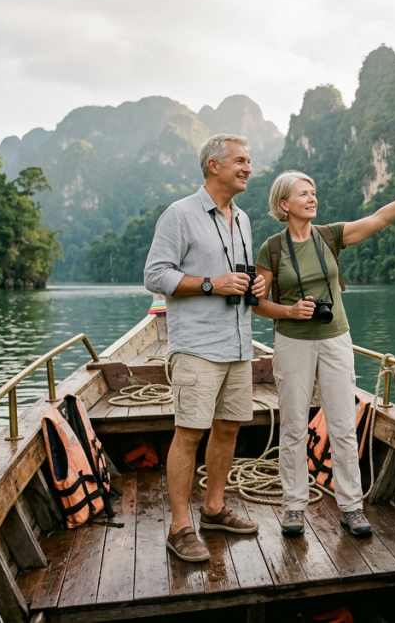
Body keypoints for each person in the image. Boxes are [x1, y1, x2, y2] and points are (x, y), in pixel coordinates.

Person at [253, 171, 395, 538]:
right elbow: (257, 304)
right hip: (293, 342)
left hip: (336, 339)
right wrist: (291, 311)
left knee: (342, 425)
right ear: (284, 205)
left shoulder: (330, 236)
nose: (312, 198)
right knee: (293, 426)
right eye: (303, 194)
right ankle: (293, 507)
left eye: (314, 192)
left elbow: (378, 219)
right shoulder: (272, 248)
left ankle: (352, 507)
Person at [144, 134, 266, 563]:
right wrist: (212, 284)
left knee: (229, 427)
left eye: (249, 161)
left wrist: (256, 283)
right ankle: (180, 527)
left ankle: (213, 509)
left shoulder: (244, 219)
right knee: (190, 432)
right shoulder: (180, 214)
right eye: (240, 160)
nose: (248, 167)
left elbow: (239, 275)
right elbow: (155, 275)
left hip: (237, 343)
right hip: (196, 345)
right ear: (213, 165)